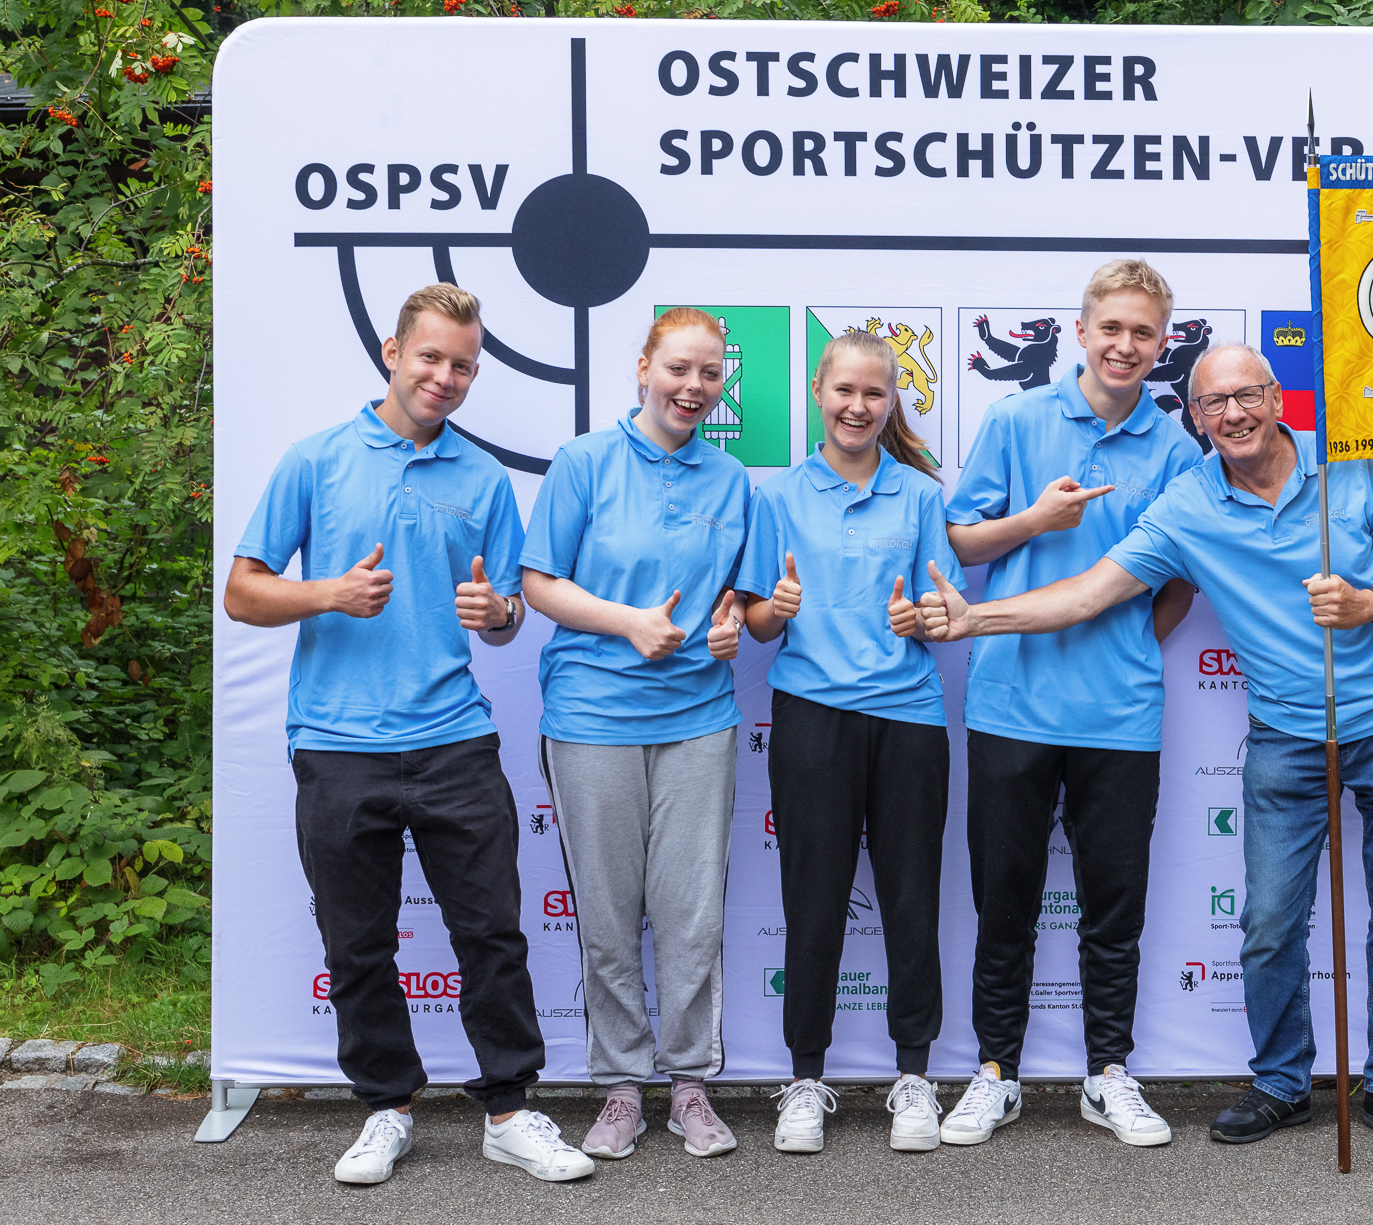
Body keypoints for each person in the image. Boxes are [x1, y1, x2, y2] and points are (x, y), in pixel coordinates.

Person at [919, 342, 1373, 1156]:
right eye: (1213, 404)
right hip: (1287, 731)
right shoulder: (1186, 504)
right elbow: (1088, 593)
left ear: (1276, 398)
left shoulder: (1345, 467)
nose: (1233, 415)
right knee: (1270, 920)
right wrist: (975, 619)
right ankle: (1282, 1082)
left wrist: (1372, 601)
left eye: (1247, 396)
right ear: (1196, 418)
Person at [224, 284, 594, 1186]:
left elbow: (506, 613)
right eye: (431, 357)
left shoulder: (483, 478)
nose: (446, 377)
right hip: (337, 743)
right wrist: (328, 593)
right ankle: (386, 1108)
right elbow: (242, 592)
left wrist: (499, 614)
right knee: (357, 945)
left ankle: (509, 1111)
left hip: (455, 739)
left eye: (463, 365)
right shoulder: (315, 460)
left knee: (492, 936)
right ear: (392, 353)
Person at [937, 260, 1201, 1149]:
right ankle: (995, 1074)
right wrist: (1034, 523)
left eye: (1142, 333)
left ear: (1161, 345)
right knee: (1003, 903)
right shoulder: (1016, 420)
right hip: (1010, 702)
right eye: (1111, 328)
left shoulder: (1176, 450)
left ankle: (1108, 1075)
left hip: (1119, 715)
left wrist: (1123, 649)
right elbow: (962, 541)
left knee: (1113, 909)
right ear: (1081, 332)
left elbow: (1178, 586)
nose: (1125, 345)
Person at [518, 307, 750, 1161]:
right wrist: (628, 623)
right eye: (678, 368)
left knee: (691, 917)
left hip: (698, 720)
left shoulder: (731, 480)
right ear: (644, 368)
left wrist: (730, 624)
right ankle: (620, 1087)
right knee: (609, 916)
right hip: (591, 717)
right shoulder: (583, 462)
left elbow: (741, 597)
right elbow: (539, 582)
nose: (694, 386)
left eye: (710, 373)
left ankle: (689, 1085)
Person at [733, 328, 965, 1155]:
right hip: (812, 716)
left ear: (891, 400)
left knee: (911, 898)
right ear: (818, 394)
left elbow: (945, 613)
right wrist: (777, 608)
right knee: (814, 898)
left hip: (908, 718)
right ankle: (805, 1078)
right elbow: (757, 623)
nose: (858, 406)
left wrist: (920, 618)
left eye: (874, 393)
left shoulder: (921, 495)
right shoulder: (778, 498)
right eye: (844, 391)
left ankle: (915, 1077)